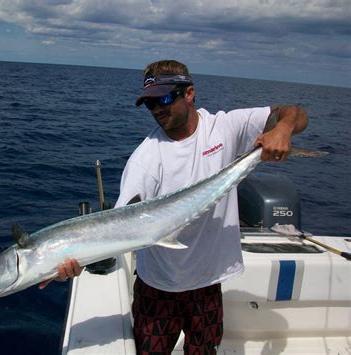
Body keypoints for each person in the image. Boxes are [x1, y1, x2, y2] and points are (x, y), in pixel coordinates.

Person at [41, 59, 308, 355]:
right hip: (158, 289)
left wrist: (282, 129)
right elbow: (118, 229)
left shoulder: (224, 127)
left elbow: (295, 113)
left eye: (165, 98)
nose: (158, 109)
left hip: (207, 283)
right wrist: (72, 261)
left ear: (190, 93)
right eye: (150, 103)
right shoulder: (145, 160)